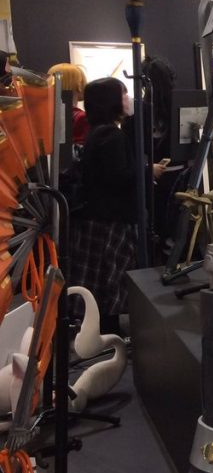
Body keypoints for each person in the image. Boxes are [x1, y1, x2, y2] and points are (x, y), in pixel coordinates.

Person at [70, 77, 165, 334]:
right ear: (111, 101)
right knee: (109, 278)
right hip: (111, 220)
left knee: (99, 281)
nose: (128, 99)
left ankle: (103, 332)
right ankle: (109, 335)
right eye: (124, 94)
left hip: (98, 217)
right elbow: (117, 177)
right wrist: (149, 171)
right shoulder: (111, 135)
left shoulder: (98, 132)